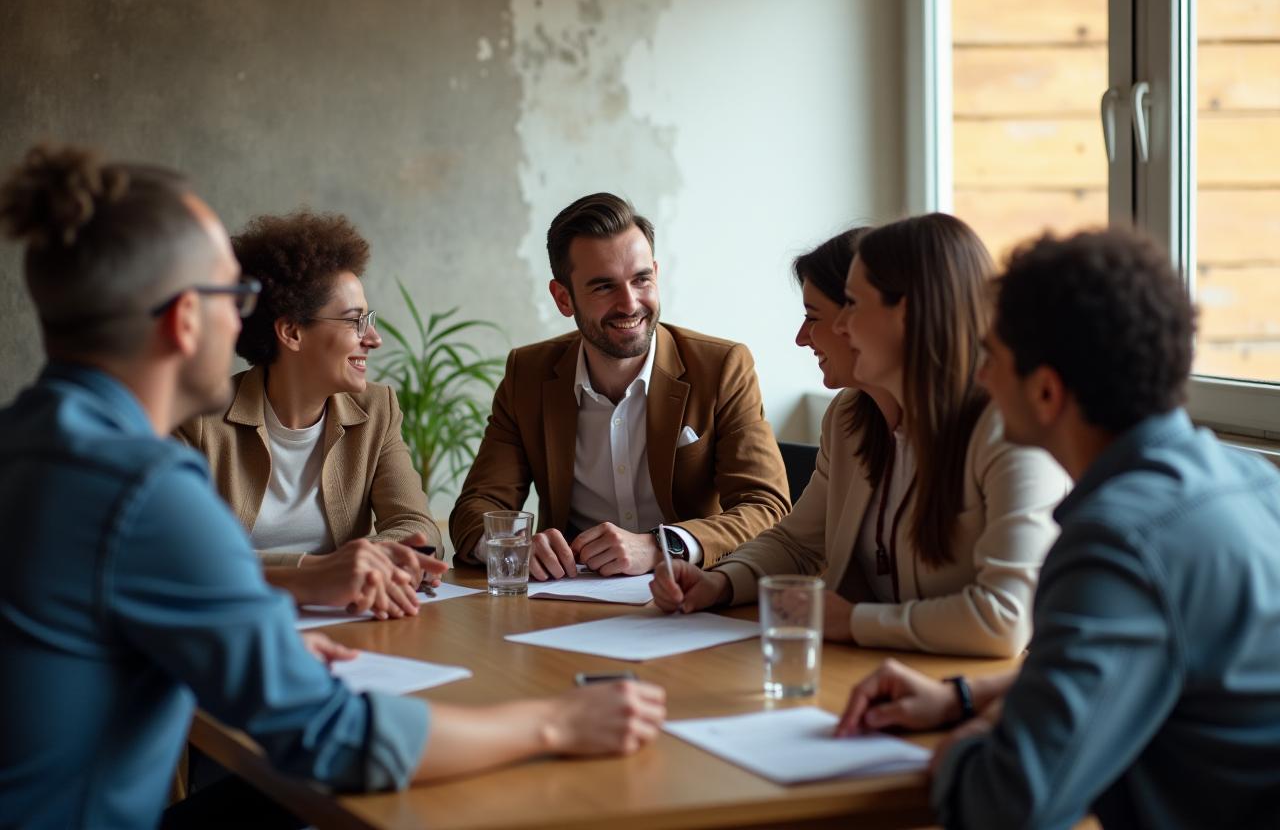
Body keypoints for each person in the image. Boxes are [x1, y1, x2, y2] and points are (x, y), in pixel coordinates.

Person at [0, 146, 666, 830]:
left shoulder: (28, 442)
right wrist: (555, 720)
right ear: (185, 319)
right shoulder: (143, 488)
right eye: (236, 299)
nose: (243, 325)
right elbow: (333, 738)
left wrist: (247, 639)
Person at [837, 228, 1280, 829]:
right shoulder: (1254, 482)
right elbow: (1150, 671)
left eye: (991, 356)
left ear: (1046, 391)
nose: (981, 376)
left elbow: (1009, 804)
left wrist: (961, 747)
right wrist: (968, 698)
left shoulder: (1115, 546)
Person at [654, 214, 1068, 657]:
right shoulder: (850, 417)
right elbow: (797, 542)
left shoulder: (1009, 431)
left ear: (906, 314)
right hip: (890, 673)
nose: (842, 326)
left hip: (982, 693)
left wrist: (851, 621)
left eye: (851, 304)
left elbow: (1006, 619)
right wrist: (719, 581)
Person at [449, 192, 790, 579]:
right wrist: (513, 544)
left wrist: (662, 546)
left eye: (641, 279)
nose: (630, 304)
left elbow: (766, 509)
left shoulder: (721, 367)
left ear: (656, 275)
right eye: (603, 287)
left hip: (694, 595)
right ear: (563, 298)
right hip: (568, 600)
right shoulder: (528, 374)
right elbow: (477, 507)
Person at [178, 211, 439, 620]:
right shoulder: (197, 421)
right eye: (355, 322)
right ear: (292, 332)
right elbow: (186, 558)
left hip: (348, 622)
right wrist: (312, 571)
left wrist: (370, 560)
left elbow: (416, 524)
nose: (373, 339)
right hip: (236, 626)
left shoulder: (376, 409)